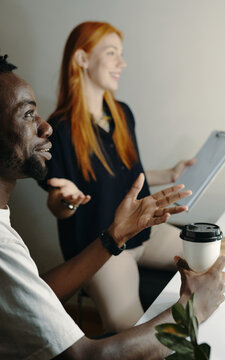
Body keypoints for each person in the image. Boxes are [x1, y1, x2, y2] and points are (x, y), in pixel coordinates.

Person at [0, 46, 225, 359]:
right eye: (27, 115)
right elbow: (83, 356)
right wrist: (193, 309)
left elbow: (31, 293)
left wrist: (113, 237)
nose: (46, 127)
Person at [40, 21, 196, 332]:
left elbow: (120, 177)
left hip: (144, 233)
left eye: (120, 54)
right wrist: (68, 201)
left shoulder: (123, 114)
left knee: (207, 256)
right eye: (111, 53)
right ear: (82, 59)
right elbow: (57, 202)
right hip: (102, 247)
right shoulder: (57, 129)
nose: (121, 63)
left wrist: (169, 174)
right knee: (132, 334)